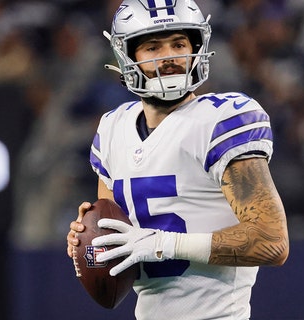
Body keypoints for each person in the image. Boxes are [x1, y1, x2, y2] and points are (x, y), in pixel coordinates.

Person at [66, 1, 289, 319]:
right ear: (128, 56)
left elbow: (271, 241)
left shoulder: (222, 119)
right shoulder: (112, 129)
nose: (169, 56)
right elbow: (115, 239)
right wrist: (88, 239)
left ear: (197, 48)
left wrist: (162, 244)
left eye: (179, 44)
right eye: (153, 47)